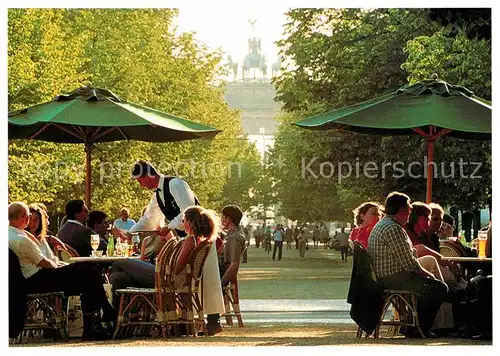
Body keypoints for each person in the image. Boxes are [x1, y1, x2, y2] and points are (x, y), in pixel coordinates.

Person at [126, 160, 224, 333]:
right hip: (187, 239)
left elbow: (189, 211)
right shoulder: (157, 195)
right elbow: (150, 219)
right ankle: (195, 322)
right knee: (193, 279)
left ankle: (213, 321)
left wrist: (169, 227)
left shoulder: (176, 184)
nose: (140, 184)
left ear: (149, 175)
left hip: (200, 236)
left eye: (140, 180)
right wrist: (131, 232)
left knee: (207, 278)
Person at [9, 202, 116, 341]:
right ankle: (102, 314)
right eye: (30, 217)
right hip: (36, 280)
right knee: (88, 271)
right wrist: (61, 267)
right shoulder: (21, 240)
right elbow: (45, 263)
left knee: (87, 277)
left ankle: (97, 322)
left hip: (27, 280)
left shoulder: (10, 235)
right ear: (24, 218)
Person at [367, 192, 448, 338]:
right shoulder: (393, 228)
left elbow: (409, 257)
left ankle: (412, 324)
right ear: (402, 210)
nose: (411, 211)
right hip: (393, 278)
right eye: (409, 208)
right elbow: (410, 264)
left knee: (432, 284)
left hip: (388, 275)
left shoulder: (386, 224)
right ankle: (418, 328)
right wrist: (430, 276)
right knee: (438, 288)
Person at [217, 205, 246, 285]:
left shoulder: (234, 238)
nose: (220, 220)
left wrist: (221, 283)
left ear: (228, 219)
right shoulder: (232, 235)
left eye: (222, 217)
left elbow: (234, 264)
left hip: (218, 274)